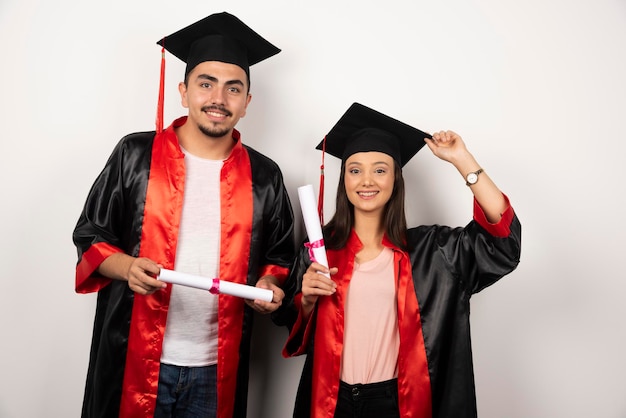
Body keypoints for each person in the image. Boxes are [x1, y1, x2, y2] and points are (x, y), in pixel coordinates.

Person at [72, 12, 295, 418]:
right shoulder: (135, 155)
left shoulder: (264, 176)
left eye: (233, 88)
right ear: (183, 90)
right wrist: (127, 268)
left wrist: (268, 285)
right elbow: (91, 234)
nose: (218, 99)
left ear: (247, 103)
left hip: (216, 368)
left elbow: (280, 259)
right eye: (205, 83)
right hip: (133, 356)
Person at [272, 103, 521, 418]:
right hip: (331, 402)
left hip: (396, 403)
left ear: (395, 179)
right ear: (344, 180)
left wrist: (462, 159)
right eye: (355, 169)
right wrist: (306, 300)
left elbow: (502, 244)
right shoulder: (319, 252)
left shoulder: (435, 253)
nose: (366, 181)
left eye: (380, 169)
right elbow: (288, 322)